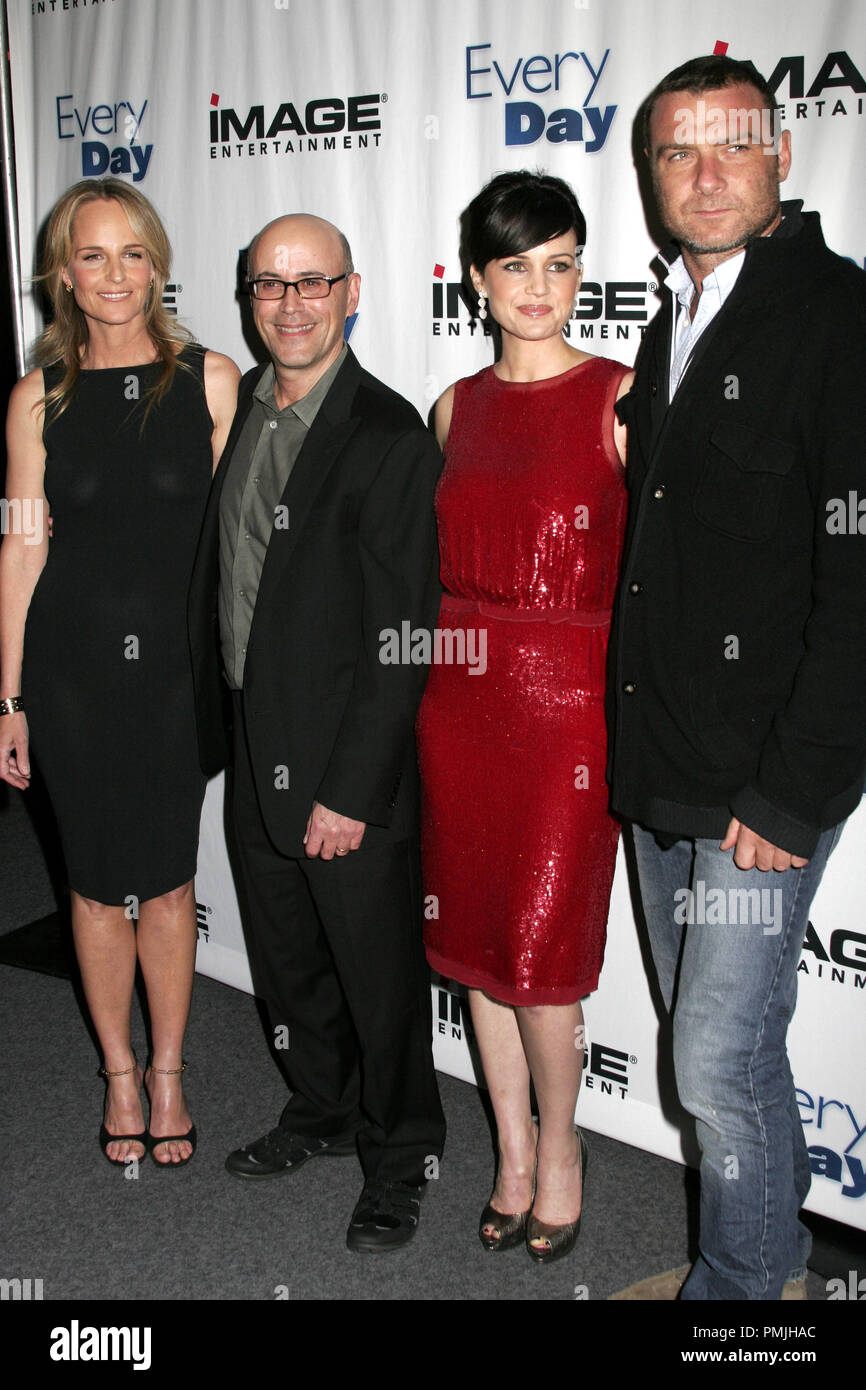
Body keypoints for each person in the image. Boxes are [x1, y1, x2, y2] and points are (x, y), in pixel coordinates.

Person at [607, 54, 866, 1300]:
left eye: (730, 144)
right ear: (652, 176)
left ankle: (738, 1303)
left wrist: (789, 790)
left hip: (757, 784)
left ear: (780, 160)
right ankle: (770, 1264)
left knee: (711, 1064)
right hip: (665, 768)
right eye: (675, 151)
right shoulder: (674, 318)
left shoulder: (837, 317)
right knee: (728, 1051)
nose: (702, 173)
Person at [187, 213, 445, 1252]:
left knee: (377, 974)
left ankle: (401, 1156)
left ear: (351, 294)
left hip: (344, 762)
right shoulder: (244, 407)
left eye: (311, 283)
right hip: (256, 738)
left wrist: (350, 789)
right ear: (248, 298)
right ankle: (321, 1109)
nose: (289, 304)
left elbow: (401, 635)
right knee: (289, 959)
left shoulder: (385, 437)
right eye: (267, 285)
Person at [0, 177, 239, 1166]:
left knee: (172, 883)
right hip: (71, 680)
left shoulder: (212, 381)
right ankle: (119, 1070)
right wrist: (9, 695)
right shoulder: (36, 397)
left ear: (158, 263)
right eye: (91, 255)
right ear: (63, 272)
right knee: (96, 889)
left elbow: (236, 541)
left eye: (131, 253)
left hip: (175, 679)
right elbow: (20, 546)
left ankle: (171, 1066)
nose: (113, 274)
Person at [417, 171, 632, 1262]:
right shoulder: (453, 405)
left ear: (581, 270)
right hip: (458, 703)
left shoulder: (619, 397)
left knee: (542, 961)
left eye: (559, 263)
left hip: (570, 716)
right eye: (516, 265)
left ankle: (563, 1153)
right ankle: (505, 1150)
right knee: (472, 951)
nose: (539, 287)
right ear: (478, 278)